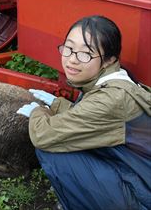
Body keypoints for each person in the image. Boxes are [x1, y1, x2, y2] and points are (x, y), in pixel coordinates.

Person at [16, 15, 151, 210]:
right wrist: (57, 104)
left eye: (85, 54)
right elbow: (96, 122)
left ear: (108, 60)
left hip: (143, 193)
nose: (72, 59)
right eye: (69, 48)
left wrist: (39, 111)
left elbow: (43, 135)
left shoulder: (112, 99)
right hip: (138, 174)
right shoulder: (118, 81)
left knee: (53, 149)